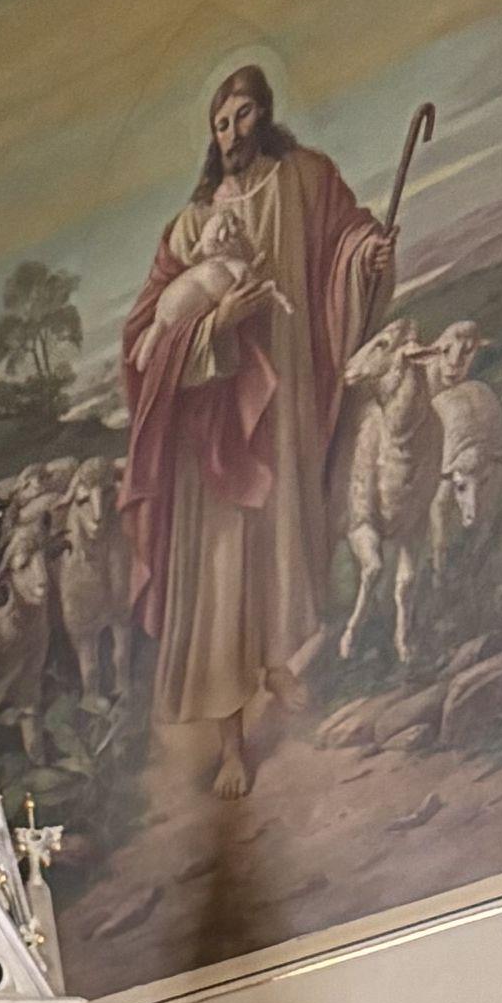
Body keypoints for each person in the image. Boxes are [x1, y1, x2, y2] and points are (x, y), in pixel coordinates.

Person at [115, 58, 386, 803]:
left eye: (240, 116)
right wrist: (213, 330)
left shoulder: (304, 180)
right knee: (224, 580)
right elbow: (147, 333)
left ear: (263, 115)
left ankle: (276, 666)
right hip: (214, 436)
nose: (231, 132)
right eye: (220, 122)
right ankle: (233, 742)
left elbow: (349, 241)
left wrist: (367, 256)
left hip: (285, 412)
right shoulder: (191, 226)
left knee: (279, 552)